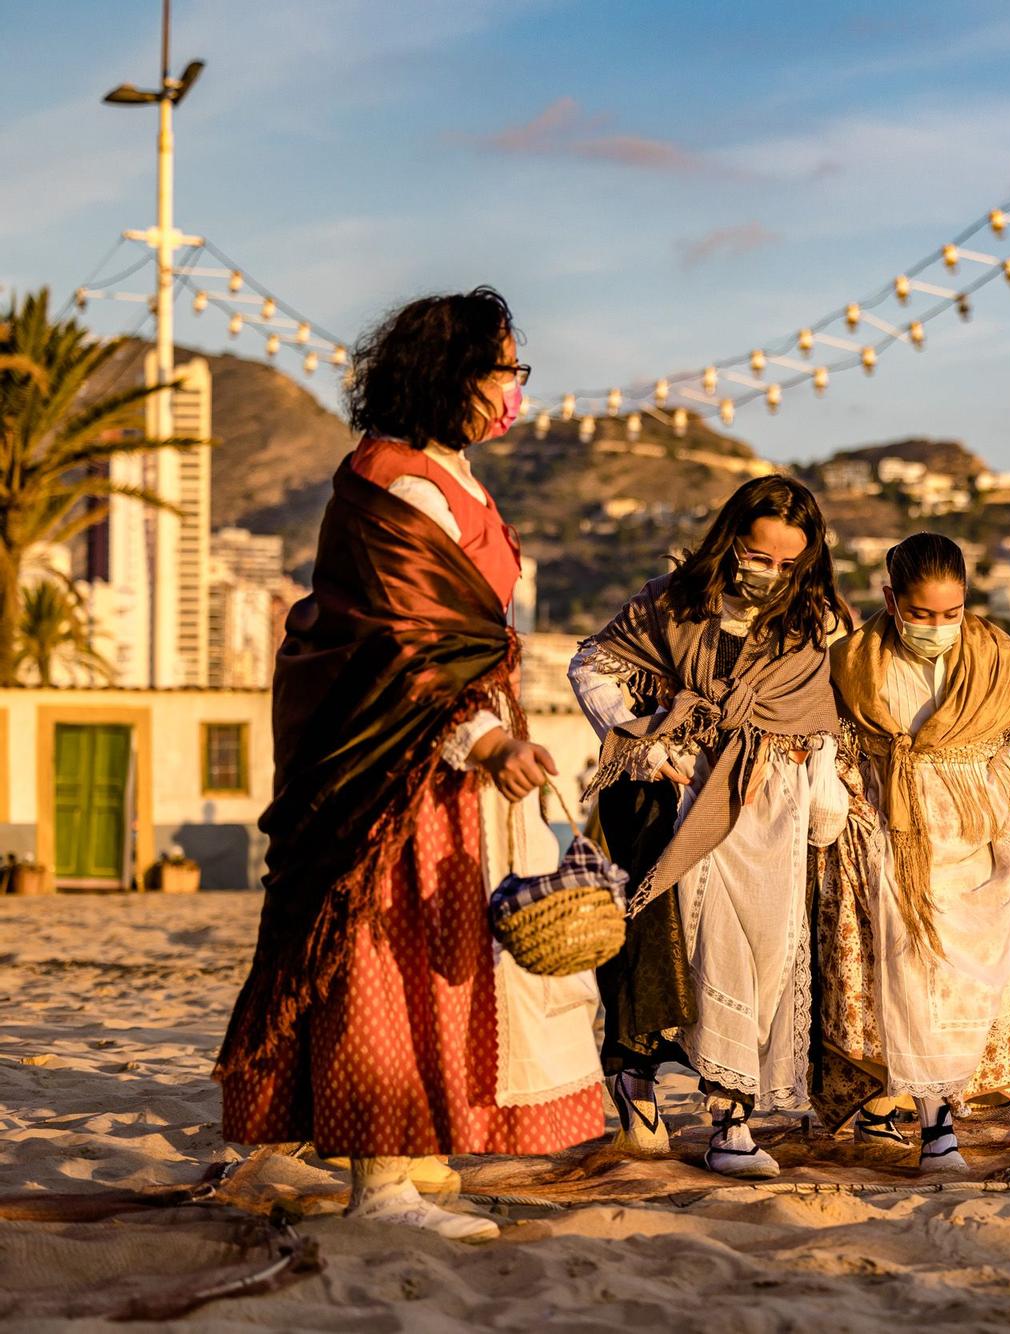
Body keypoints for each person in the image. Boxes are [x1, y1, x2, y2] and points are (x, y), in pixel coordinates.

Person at [214, 289, 600, 1242]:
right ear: (451, 374)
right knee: (383, 952)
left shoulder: (449, 473)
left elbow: (457, 637)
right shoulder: (401, 484)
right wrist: (490, 741)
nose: (515, 389)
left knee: (443, 952)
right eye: (504, 369)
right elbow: (404, 652)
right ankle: (377, 1182)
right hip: (397, 762)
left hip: (447, 754)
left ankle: (409, 1142)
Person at [569, 476, 851, 1179]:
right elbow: (591, 665)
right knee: (677, 953)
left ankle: (730, 1112)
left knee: (760, 959)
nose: (774, 574)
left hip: (770, 810)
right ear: (731, 542)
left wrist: (822, 802)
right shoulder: (667, 602)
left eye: (790, 563)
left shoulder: (813, 621)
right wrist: (649, 744)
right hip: (676, 803)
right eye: (760, 557)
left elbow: (819, 725)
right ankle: (693, 1111)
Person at [823, 533, 1010, 1172]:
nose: (938, 628)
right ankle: (933, 1126)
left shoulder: (995, 652)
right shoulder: (853, 660)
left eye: (951, 614)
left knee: (960, 983)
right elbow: (829, 737)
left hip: (976, 833)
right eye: (922, 614)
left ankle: (910, 1106)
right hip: (888, 834)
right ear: (890, 599)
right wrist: (852, 796)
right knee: (904, 978)